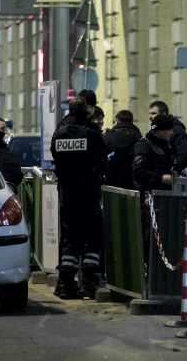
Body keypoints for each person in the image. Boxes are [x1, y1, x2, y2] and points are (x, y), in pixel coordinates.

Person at [51, 97, 109, 300]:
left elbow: (55, 158)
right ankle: (90, 283)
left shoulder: (59, 133)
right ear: (86, 111)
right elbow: (103, 158)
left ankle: (66, 284)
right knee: (93, 236)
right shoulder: (91, 133)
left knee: (70, 238)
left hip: (67, 194)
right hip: (89, 193)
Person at [148, 100, 187, 175]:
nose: (150, 117)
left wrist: (170, 168)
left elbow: (185, 156)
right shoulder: (155, 130)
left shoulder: (177, 130)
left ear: (164, 113)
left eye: (153, 113)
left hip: (175, 178)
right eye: (150, 114)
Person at [132, 114, 175, 192]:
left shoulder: (166, 145)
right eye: (169, 129)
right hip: (149, 195)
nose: (172, 132)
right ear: (161, 130)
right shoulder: (143, 146)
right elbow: (139, 173)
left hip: (165, 194)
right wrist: (161, 178)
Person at [104, 110, 141, 189]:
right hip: (131, 180)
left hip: (112, 180)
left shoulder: (109, 136)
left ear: (118, 121)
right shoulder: (138, 137)